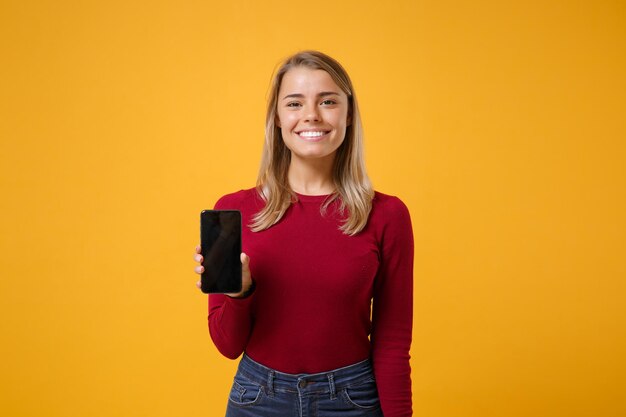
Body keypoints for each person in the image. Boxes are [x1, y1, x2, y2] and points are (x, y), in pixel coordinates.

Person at [194, 50, 414, 417]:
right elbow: (227, 345)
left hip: (352, 400)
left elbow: (392, 344)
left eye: (328, 101)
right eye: (295, 103)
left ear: (348, 114)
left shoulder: (388, 215)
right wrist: (240, 291)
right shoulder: (232, 211)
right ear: (278, 119)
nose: (312, 115)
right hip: (257, 399)